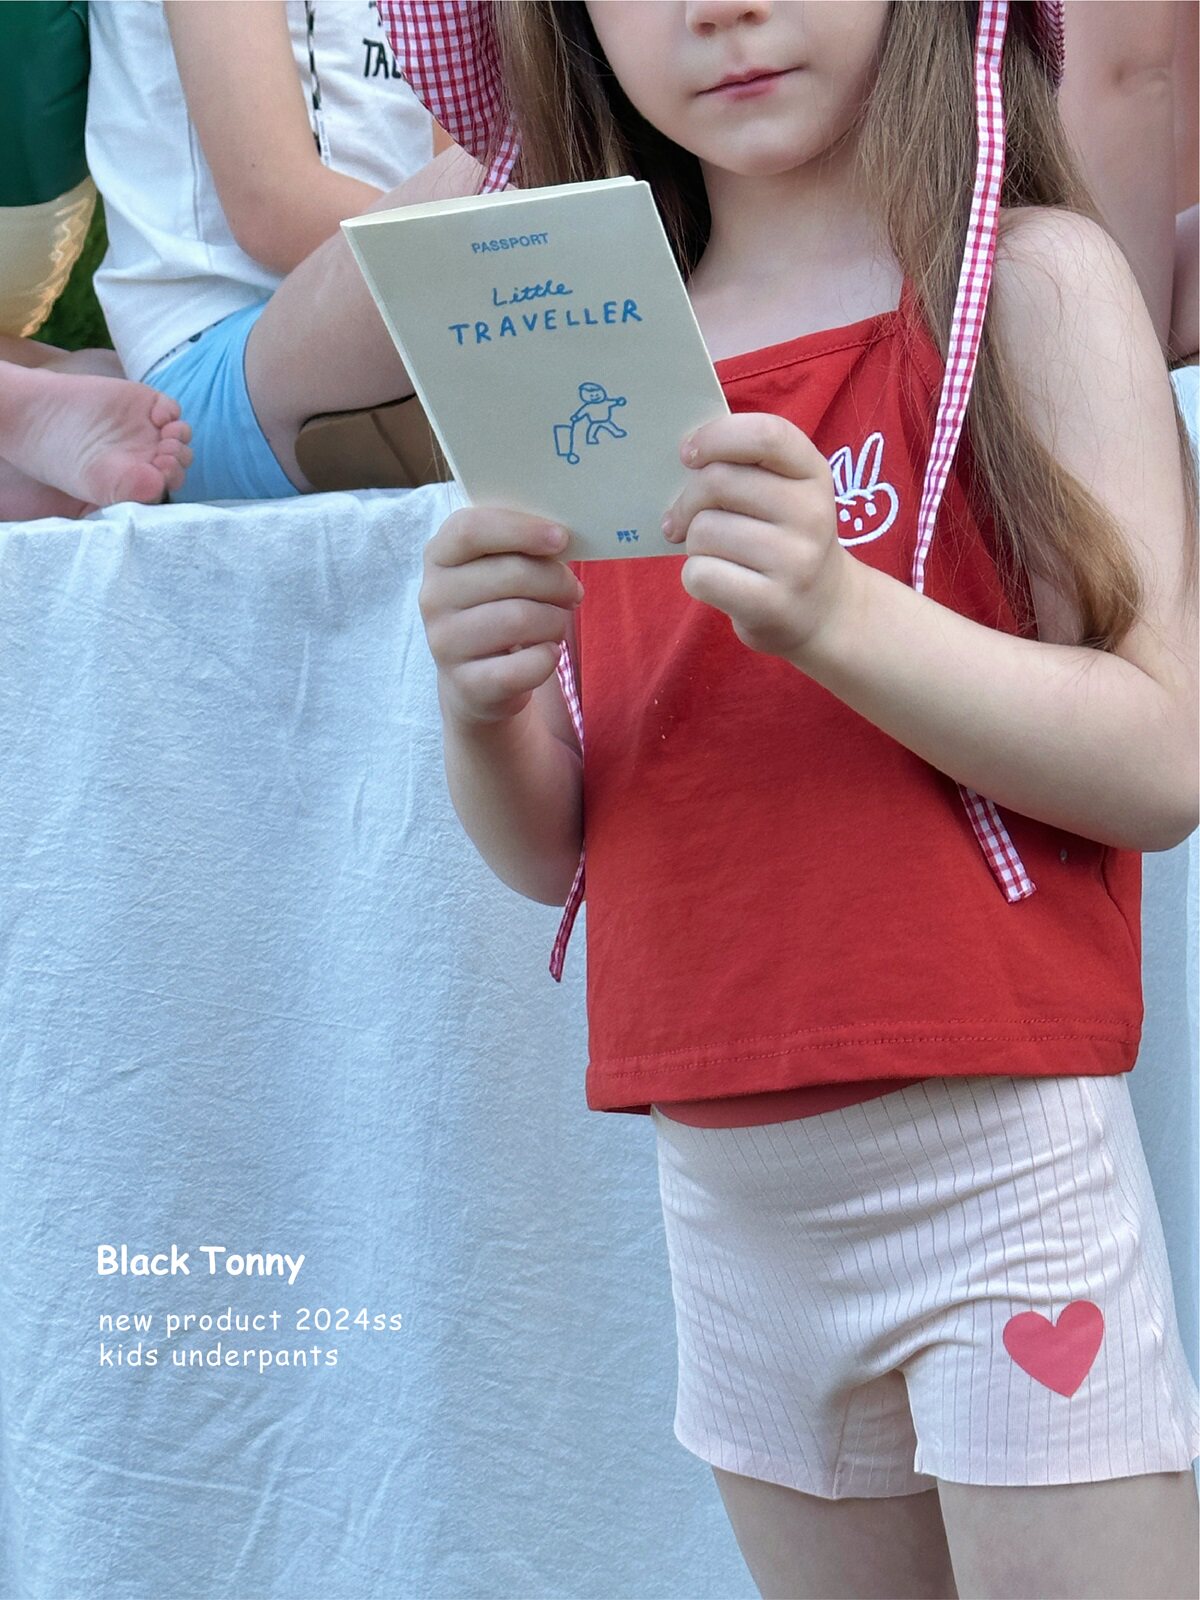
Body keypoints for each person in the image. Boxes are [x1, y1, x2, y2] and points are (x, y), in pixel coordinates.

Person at [398, 2, 1200, 1597]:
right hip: (728, 1211)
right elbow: (561, 847)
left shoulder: (1026, 282)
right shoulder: (581, 353)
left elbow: (1160, 760)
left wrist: (839, 615)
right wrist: (482, 705)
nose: (721, 10)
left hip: (997, 1170)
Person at [83, 0, 460, 502]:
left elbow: (461, 159)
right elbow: (276, 209)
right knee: (495, 195)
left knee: (497, 184)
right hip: (209, 368)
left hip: (397, 323)